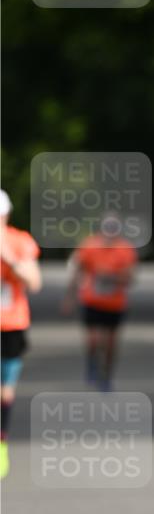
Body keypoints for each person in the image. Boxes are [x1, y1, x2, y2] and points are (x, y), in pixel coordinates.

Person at [62, 215, 138, 391]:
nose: (110, 234)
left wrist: (113, 277)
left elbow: (131, 277)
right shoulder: (89, 246)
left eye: (113, 229)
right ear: (101, 229)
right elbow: (77, 273)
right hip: (92, 300)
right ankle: (92, 363)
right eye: (107, 229)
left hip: (115, 303)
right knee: (93, 340)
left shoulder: (125, 250)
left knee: (111, 343)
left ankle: (107, 375)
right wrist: (69, 298)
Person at [0, 189, 42, 479]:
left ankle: (1, 443)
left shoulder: (20, 241)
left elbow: (34, 282)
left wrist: (9, 259)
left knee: (5, 390)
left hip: (11, 324)